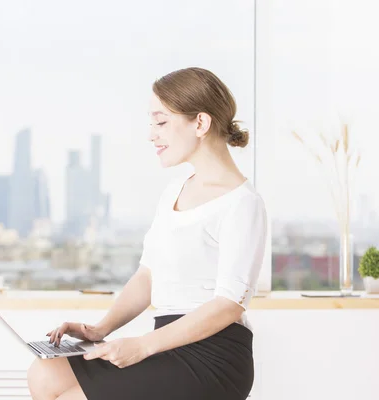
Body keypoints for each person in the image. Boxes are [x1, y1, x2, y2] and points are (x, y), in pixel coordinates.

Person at [27, 67, 268, 400]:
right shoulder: (173, 192)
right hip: (165, 344)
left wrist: (142, 347)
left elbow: (229, 304)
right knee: (46, 373)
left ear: (200, 123)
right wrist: (100, 329)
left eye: (161, 122)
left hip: (213, 356)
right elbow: (147, 276)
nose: (152, 135)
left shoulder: (242, 203)